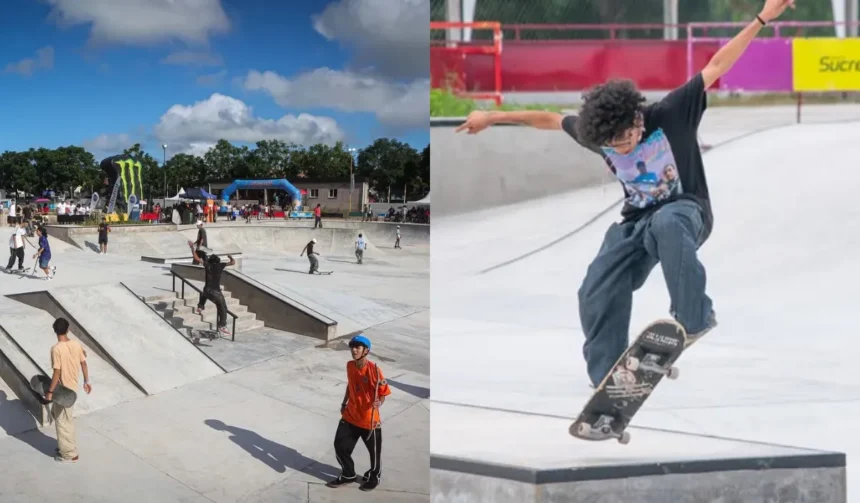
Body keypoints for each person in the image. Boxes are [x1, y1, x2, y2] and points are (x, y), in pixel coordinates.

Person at [455, 0, 796, 387]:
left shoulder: (671, 112)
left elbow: (716, 65)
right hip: (636, 225)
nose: (620, 148)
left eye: (626, 139)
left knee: (668, 222)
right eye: (611, 145)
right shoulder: (600, 137)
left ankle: (694, 315)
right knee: (596, 287)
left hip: (687, 213)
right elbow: (549, 119)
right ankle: (608, 381)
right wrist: (492, 117)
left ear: (636, 120)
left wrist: (762, 18)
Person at [327, 335, 391, 491]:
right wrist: (344, 403)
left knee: (374, 454)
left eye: (358, 347)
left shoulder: (374, 370)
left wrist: (379, 402)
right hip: (350, 415)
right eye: (352, 347)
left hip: (369, 420)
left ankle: (375, 476)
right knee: (340, 446)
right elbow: (350, 385)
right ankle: (348, 474)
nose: (354, 350)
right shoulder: (350, 365)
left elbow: (383, 392)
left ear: (366, 350)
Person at [46, 317, 92, 463]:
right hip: (72, 388)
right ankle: (64, 445)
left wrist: (50, 392)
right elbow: (83, 363)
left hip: (63, 392)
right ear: (68, 329)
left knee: (63, 421)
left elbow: (57, 373)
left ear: (55, 331)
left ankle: (69, 453)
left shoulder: (56, 349)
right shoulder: (76, 344)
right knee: (58, 414)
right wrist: (86, 381)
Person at [189, 245, 234, 335]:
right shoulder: (221, 265)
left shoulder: (207, 264)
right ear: (218, 261)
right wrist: (230, 257)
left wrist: (192, 248)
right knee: (223, 308)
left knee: (204, 293)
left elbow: (196, 258)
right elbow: (232, 262)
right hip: (216, 293)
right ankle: (222, 325)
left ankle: (200, 306)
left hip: (207, 291)